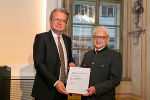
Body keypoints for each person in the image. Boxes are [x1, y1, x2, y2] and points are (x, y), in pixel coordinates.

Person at [31, 8, 76, 100]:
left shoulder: (67, 40)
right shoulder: (41, 38)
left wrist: (72, 63)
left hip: (63, 90)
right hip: (46, 91)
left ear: (66, 24)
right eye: (56, 19)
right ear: (50, 20)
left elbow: (69, 58)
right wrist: (55, 82)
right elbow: (39, 64)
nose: (60, 22)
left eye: (63, 20)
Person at [81, 26, 122, 100]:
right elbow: (82, 75)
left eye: (102, 37)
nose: (98, 40)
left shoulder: (115, 55)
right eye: (96, 37)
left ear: (107, 39)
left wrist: (96, 89)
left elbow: (115, 80)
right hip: (85, 97)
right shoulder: (87, 54)